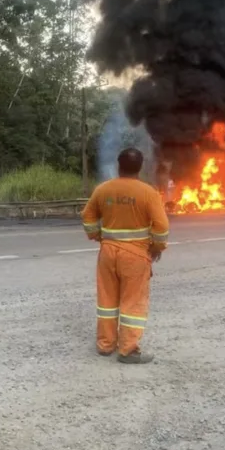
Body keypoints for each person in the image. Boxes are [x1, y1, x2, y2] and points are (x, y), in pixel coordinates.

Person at [81, 148, 170, 363]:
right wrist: (157, 247)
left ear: (119, 165)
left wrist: (96, 235)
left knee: (107, 301)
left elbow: (87, 217)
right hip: (136, 255)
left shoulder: (103, 190)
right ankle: (128, 350)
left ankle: (105, 345)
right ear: (140, 168)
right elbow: (162, 226)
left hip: (108, 253)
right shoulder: (148, 193)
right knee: (133, 302)